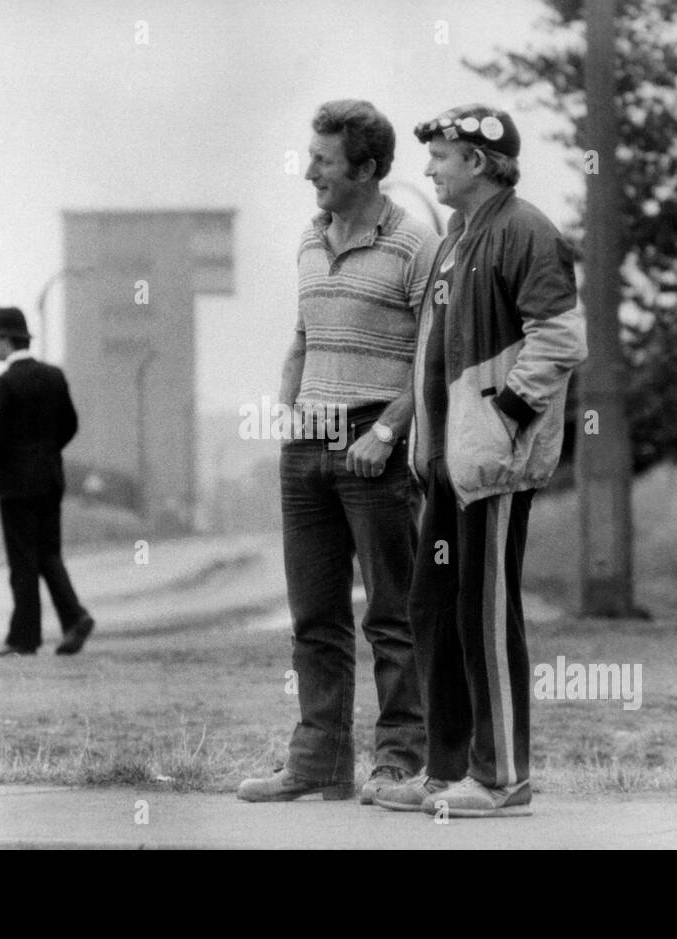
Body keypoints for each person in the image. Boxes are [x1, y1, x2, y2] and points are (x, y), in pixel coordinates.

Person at [375, 105, 587, 817]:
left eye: (440, 154)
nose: (430, 166)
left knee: (486, 615)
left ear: (477, 161)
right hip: (444, 468)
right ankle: (446, 770)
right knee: (436, 611)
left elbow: (559, 339)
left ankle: (503, 778)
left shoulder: (525, 230)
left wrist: (505, 421)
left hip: (489, 467)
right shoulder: (454, 241)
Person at [237, 100, 439, 805]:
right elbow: (303, 334)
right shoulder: (309, 237)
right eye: (311, 157)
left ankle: (399, 762)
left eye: (323, 161)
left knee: (391, 614)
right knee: (314, 617)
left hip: (372, 446)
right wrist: (291, 409)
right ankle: (319, 760)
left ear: (368, 169)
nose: (308, 172)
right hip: (308, 448)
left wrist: (386, 431)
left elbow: (432, 359)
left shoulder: (415, 245)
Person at [0, 307, 93, 657]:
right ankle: (74, 617)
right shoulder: (54, 377)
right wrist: (46, 450)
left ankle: (25, 637)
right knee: (48, 552)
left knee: (22, 560)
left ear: (4, 339)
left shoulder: (5, 382)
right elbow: (70, 422)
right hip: (49, 477)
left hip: (16, 482)